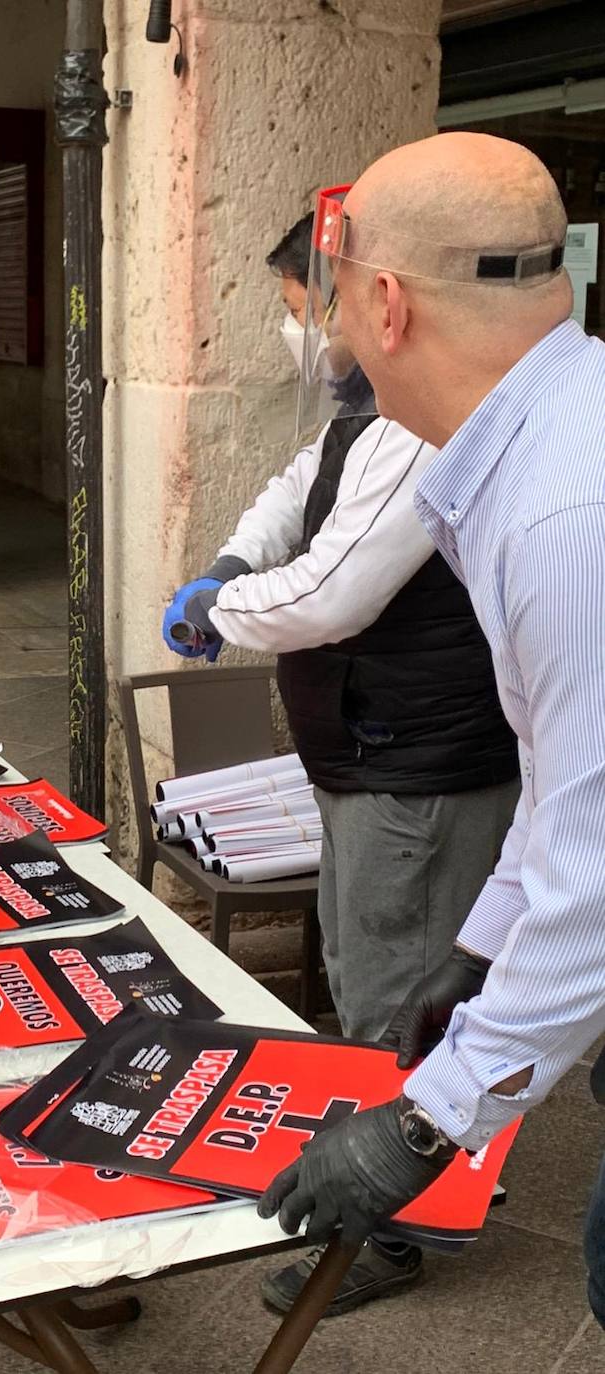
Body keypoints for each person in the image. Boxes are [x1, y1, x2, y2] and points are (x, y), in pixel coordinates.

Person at [257, 134, 605, 1333]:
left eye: (337, 300)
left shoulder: (565, 510)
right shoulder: (539, 443)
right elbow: (562, 775)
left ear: (386, 302)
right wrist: (476, 950)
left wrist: (426, 1122)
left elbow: (596, 868)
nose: (333, 337)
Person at [162, 214, 520, 1314]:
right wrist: (230, 556)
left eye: (295, 301)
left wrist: (223, 606)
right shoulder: (372, 406)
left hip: (412, 764)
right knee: (396, 970)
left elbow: (334, 590)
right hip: (376, 750)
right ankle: (449, 1161)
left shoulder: (425, 423)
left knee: (390, 991)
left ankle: (392, 1228)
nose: (293, 326)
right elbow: (300, 482)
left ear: (372, 299)